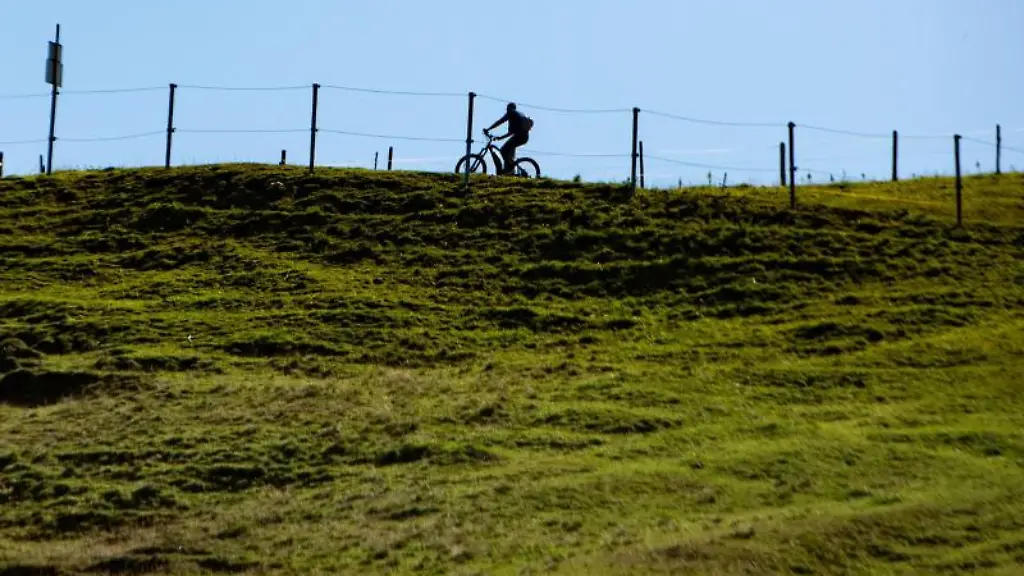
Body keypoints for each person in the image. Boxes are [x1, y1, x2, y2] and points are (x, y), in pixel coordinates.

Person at [484, 102, 532, 175]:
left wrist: (488, 129)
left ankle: (509, 169)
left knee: (503, 150)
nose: (506, 111)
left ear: (510, 108)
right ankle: (510, 170)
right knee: (508, 151)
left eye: (507, 109)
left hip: (519, 137)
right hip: (523, 137)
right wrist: (500, 138)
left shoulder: (512, 113)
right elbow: (511, 132)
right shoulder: (517, 116)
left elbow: (500, 121)